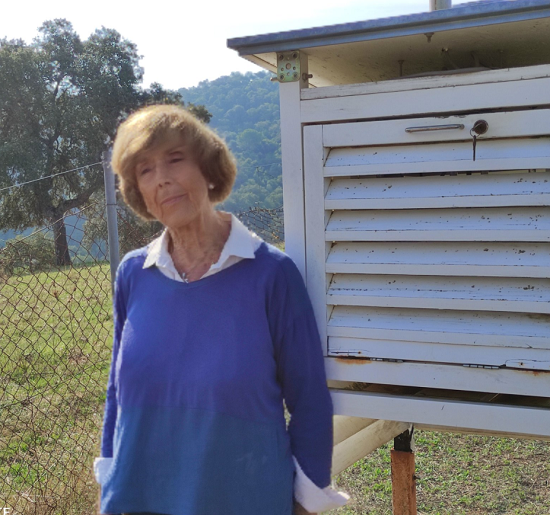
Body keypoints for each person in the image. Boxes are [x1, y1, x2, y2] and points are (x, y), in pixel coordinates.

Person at [93, 104, 349, 515]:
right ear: (137, 191)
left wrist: (304, 503)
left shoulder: (271, 275)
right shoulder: (133, 274)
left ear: (208, 170)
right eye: (145, 170)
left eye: (175, 160)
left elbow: (310, 401)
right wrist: (109, 481)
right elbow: (116, 393)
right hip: (140, 498)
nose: (162, 179)